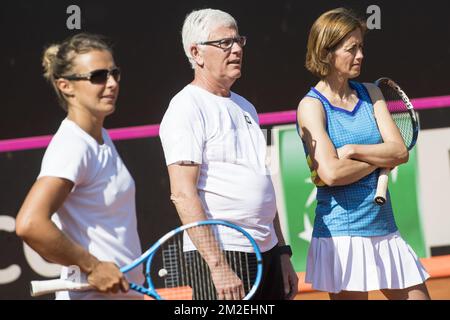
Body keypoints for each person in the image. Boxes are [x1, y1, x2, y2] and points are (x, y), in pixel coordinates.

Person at [159, 8, 298, 300]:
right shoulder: (185, 107)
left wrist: (282, 251)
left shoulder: (246, 107)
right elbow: (183, 194)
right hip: (224, 254)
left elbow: (262, 184)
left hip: (267, 251)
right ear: (196, 53)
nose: (236, 49)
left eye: (238, 41)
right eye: (224, 43)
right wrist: (218, 265)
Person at [296, 8, 430, 300]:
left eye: (361, 47)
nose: (360, 55)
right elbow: (330, 173)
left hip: (385, 229)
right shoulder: (311, 106)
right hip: (342, 236)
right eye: (351, 48)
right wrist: (379, 160)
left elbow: (399, 151)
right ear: (326, 52)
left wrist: (355, 151)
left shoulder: (372, 93)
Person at [15, 33, 144, 300]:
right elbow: (30, 223)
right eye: (98, 76)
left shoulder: (100, 137)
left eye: (114, 73)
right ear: (66, 86)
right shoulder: (72, 145)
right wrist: (93, 267)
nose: (111, 84)